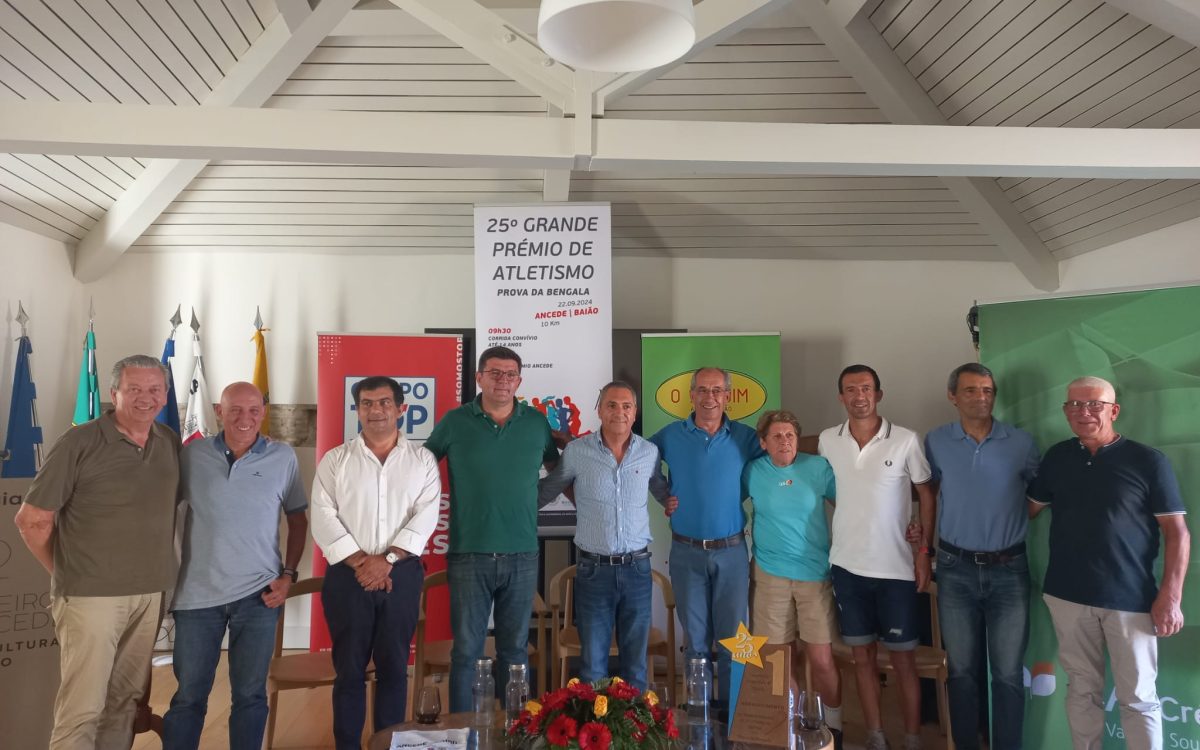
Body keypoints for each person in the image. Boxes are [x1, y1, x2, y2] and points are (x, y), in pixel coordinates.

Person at [14, 354, 181, 750]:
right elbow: (32, 520)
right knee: (82, 708)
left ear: (165, 395)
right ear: (113, 393)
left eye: (154, 389)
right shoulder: (79, 442)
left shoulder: (168, 441)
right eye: (134, 389)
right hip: (90, 596)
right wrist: (66, 574)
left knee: (124, 703)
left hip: (149, 593)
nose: (145, 397)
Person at [1029, 376, 1190, 750]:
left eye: (1094, 404)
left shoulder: (1148, 461)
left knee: (1138, 698)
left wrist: (1171, 597)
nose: (1083, 412)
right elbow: (1027, 510)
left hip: (1131, 601)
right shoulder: (1057, 457)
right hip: (1067, 596)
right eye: (1074, 404)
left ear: (1113, 410)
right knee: (1081, 690)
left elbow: (1177, 533)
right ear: (1065, 411)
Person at [162, 382, 308, 750]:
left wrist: (289, 575)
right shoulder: (191, 455)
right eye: (236, 410)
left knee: (250, 696)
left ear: (264, 412)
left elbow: (298, 520)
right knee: (188, 696)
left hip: (260, 597)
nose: (246, 418)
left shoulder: (283, 457)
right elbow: (160, 511)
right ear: (218, 411)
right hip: (197, 597)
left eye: (254, 410)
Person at [425, 346, 559, 712]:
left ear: (519, 381)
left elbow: (557, 469)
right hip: (469, 554)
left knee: (514, 651)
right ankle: (461, 732)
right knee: (466, 651)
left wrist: (534, 498)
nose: (503, 380)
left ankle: (516, 729)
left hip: (522, 555)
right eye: (495, 373)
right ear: (479, 377)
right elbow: (421, 466)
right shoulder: (454, 421)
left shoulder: (536, 423)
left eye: (510, 374)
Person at [311, 376, 441, 749]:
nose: (375, 410)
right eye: (366, 403)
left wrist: (387, 560)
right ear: (357, 410)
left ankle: (389, 744)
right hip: (347, 577)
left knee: (394, 669)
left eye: (384, 402)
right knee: (349, 671)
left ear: (401, 409)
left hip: (401, 575)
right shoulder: (336, 460)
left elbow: (426, 516)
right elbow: (322, 516)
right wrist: (362, 563)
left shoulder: (422, 460)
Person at [923, 363, 1039, 750]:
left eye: (987, 390)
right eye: (971, 390)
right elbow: (928, 494)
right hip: (955, 570)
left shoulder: (1021, 443)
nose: (981, 397)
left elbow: (1037, 498)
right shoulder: (936, 441)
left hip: (1009, 570)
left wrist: (1004, 517)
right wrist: (921, 544)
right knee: (961, 672)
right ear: (953, 396)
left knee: (1007, 674)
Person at [818, 364, 934, 750]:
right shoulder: (828, 440)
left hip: (896, 570)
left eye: (866, 388)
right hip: (847, 568)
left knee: (903, 662)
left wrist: (923, 549)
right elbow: (833, 490)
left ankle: (913, 739)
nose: (859, 396)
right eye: (851, 389)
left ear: (878, 394)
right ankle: (876, 736)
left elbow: (926, 494)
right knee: (862, 659)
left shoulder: (906, 439)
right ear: (841, 397)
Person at [538, 381, 675, 690]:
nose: (619, 412)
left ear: (635, 412)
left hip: (637, 569)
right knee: (592, 666)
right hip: (593, 570)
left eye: (626, 406)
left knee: (635, 666)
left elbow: (659, 487)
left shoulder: (649, 452)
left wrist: (669, 501)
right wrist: (511, 503)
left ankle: (635, 722)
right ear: (599, 410)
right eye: (611, 405)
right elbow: (547, 490)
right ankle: (594, 723)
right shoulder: (577, 451)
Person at [650, 366, 763, 715]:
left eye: (716, 390)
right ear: (691, 395)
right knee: (696, 642)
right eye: (702, 390)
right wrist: (662, 493)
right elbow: (641, 459)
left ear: (727, 396)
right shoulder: (670, 435)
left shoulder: (746, 437)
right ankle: (698, 715)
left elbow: (772, 467)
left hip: (731, 552)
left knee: (735, 641)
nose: (709, 397)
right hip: (686, 553)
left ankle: (734, 717)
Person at [743, 409, 844, 746]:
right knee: (778, 661)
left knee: (821, 659)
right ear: (763, 443)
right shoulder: (754, 471)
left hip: (814, 576)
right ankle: (789, 731)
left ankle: (834, 731)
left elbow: (850, 507)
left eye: (790, 435)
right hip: (770, 576)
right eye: (776, 436)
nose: (784, 441)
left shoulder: (818, 468)